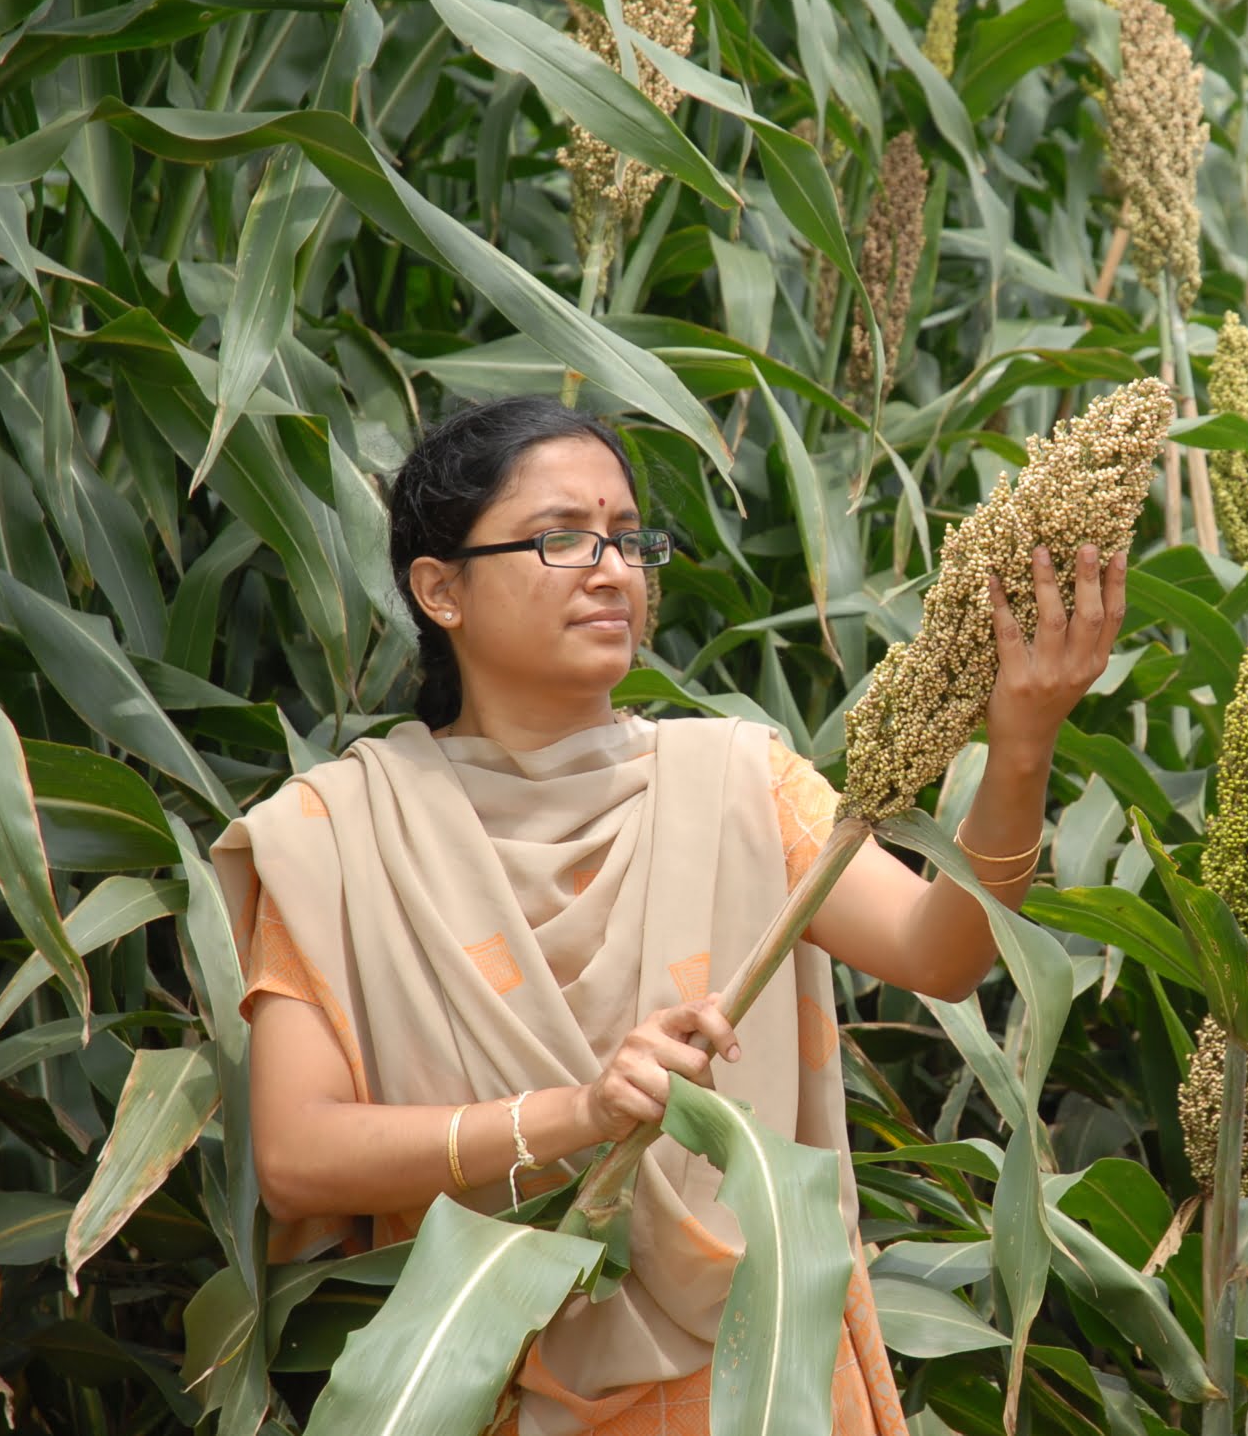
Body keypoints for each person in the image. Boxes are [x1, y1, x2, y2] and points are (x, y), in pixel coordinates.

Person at [210, 395, 1128, 1435]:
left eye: (628, 537)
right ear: (439, 589)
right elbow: (295, 1157)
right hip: (479, 1372)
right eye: (561, 537)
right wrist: (580, 1116)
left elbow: (941, 951)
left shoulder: (736, 780)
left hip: (758, 1373)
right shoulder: (340, 832)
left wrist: (1019, 747)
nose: (612, 568)